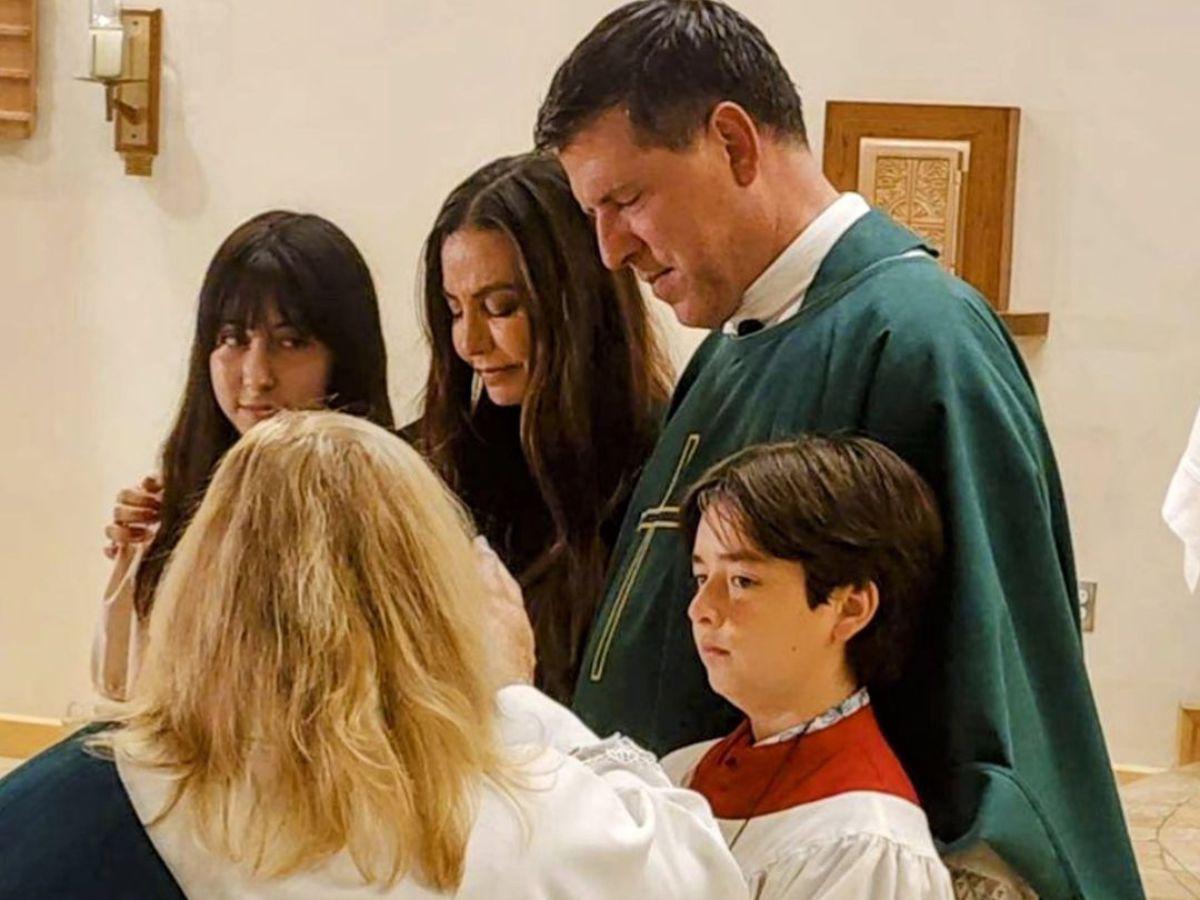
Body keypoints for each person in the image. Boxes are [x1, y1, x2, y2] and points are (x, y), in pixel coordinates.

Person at [533, 2, 1142, 896]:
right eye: (593, 213)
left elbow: (997, 704)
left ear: (735, 144)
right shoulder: (733, 347)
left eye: (626, 201)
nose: (610, 247)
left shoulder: (920, 339)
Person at [0, 411, 749, 899]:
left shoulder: (67, 805)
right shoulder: (530, 813)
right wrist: (514, 694)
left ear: (203, 592)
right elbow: (698, 872)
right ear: (432, 597)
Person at [93, 211, 394, 701]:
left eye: (290, 342)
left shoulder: (384, 509)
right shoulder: (180, 497)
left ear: (344, 354)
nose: (256, 375)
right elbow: (121, 685)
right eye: (233, 339)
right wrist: (140, 559)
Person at [416, 153, 672, 702]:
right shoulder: (437, 461)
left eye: (501, 307)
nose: (470, 343)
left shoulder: (659, 471)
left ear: (577, 303)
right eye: (455, 310)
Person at [661, 436, 953, 899]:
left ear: (849, 608)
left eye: (742, 580)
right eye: (701, 577)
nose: (700, 608)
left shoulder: (867, 845)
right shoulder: (679, 773)